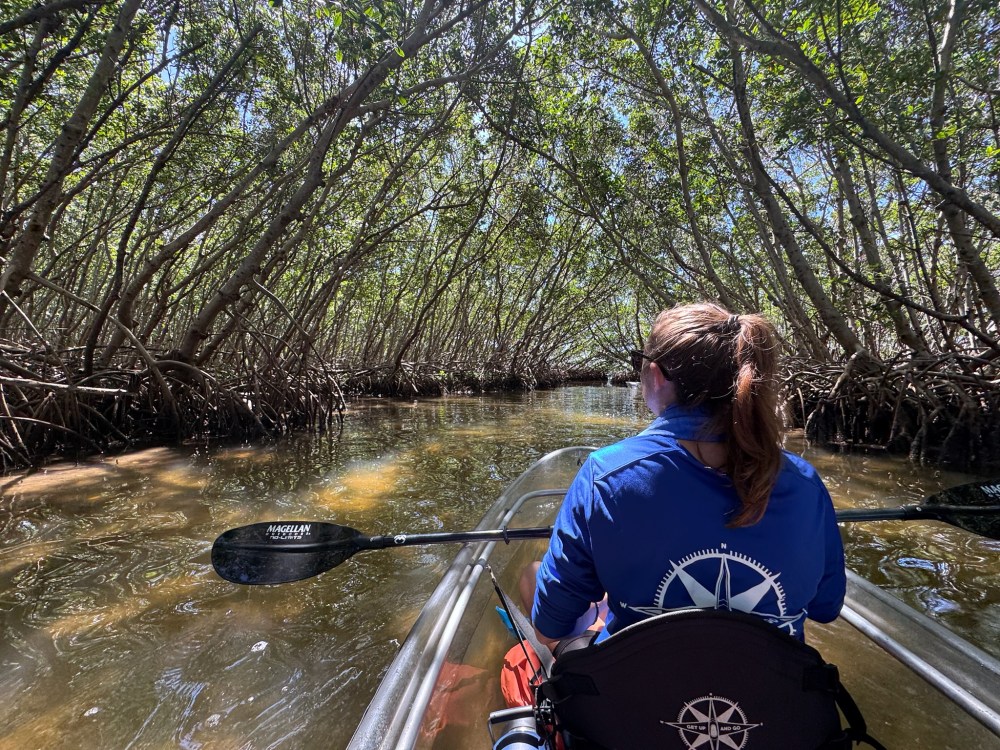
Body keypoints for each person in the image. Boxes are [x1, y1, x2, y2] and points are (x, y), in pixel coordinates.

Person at [527, 302, 846, 649]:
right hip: (766, 696)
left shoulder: (605, 476)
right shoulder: (804, 482)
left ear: (657, 374)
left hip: (640, 689)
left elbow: (551, 622)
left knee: (532, 575)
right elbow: (825, 608)